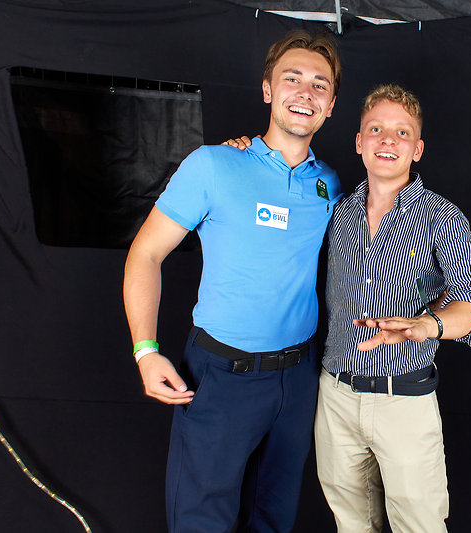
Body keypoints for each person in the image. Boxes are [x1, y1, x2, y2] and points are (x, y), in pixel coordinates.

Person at [122, 29, 342, 533]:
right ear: (267, 89)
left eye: (320, 84)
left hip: (297, 380)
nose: (305, 92)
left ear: (330, 106)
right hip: (220, 377)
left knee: (273, 520)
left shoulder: (328, 184)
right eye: (292, 78)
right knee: (201, 523)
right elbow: (146, 254)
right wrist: (145, 350)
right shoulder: (214, 165)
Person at [316, 84, 471, 532]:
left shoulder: (441, 217)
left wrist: (427, 325)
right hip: (336, 396)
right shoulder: (338, 212)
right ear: (359, 141)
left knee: (419, 525)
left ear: (417, 149)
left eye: (402, 132)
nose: (388, 140)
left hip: (404, 399)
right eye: (376, 129)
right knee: (351, 524)